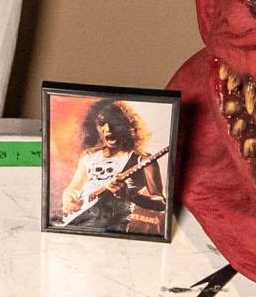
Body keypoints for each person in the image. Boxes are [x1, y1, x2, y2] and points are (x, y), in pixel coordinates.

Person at [52, 98, 169, 234]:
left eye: (114, 122)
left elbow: (161, 203)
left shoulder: (142, 159)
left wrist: (130, 195)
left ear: (126, 125)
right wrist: (68, 199)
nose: (108, 129)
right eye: (102, 123)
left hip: (110, 227)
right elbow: (74, 188)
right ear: (96, 127)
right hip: (75, 220)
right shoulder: (89, 155)